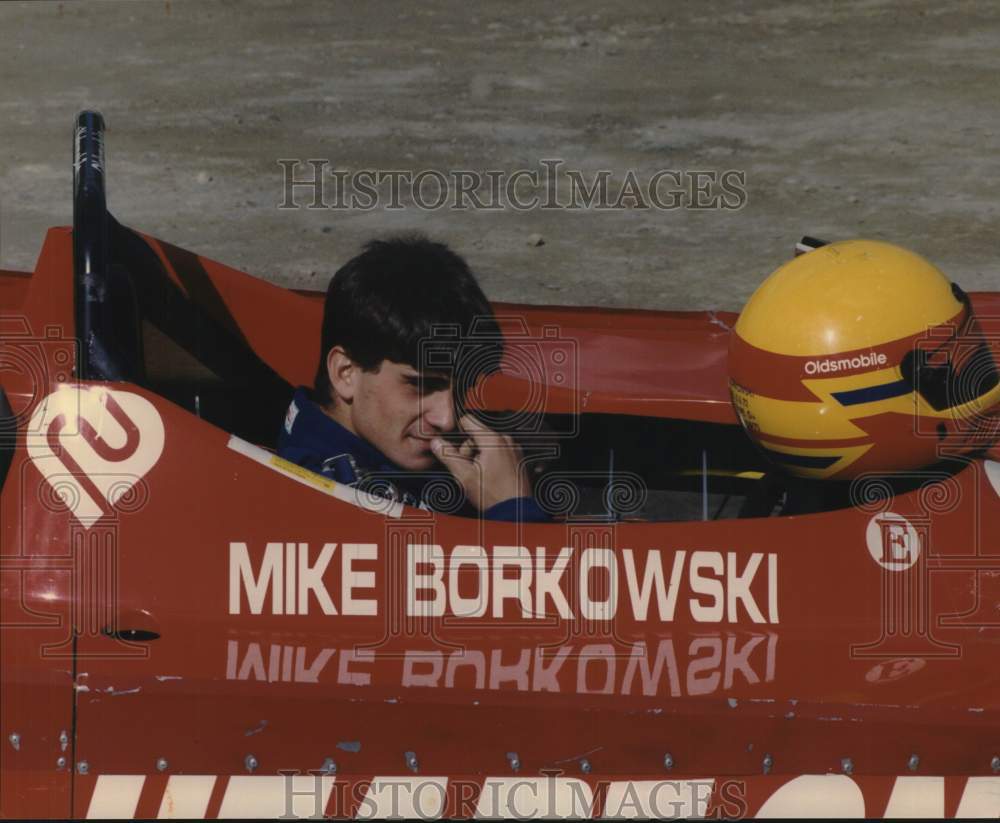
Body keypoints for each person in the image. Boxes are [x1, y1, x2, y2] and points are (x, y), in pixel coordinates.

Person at [278, 234, 548, 521]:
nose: (447, 419)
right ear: (345, 373)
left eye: (463, 388)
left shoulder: (375, 441)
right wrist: (513, 509)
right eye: (421, 385)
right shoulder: (320, 499)